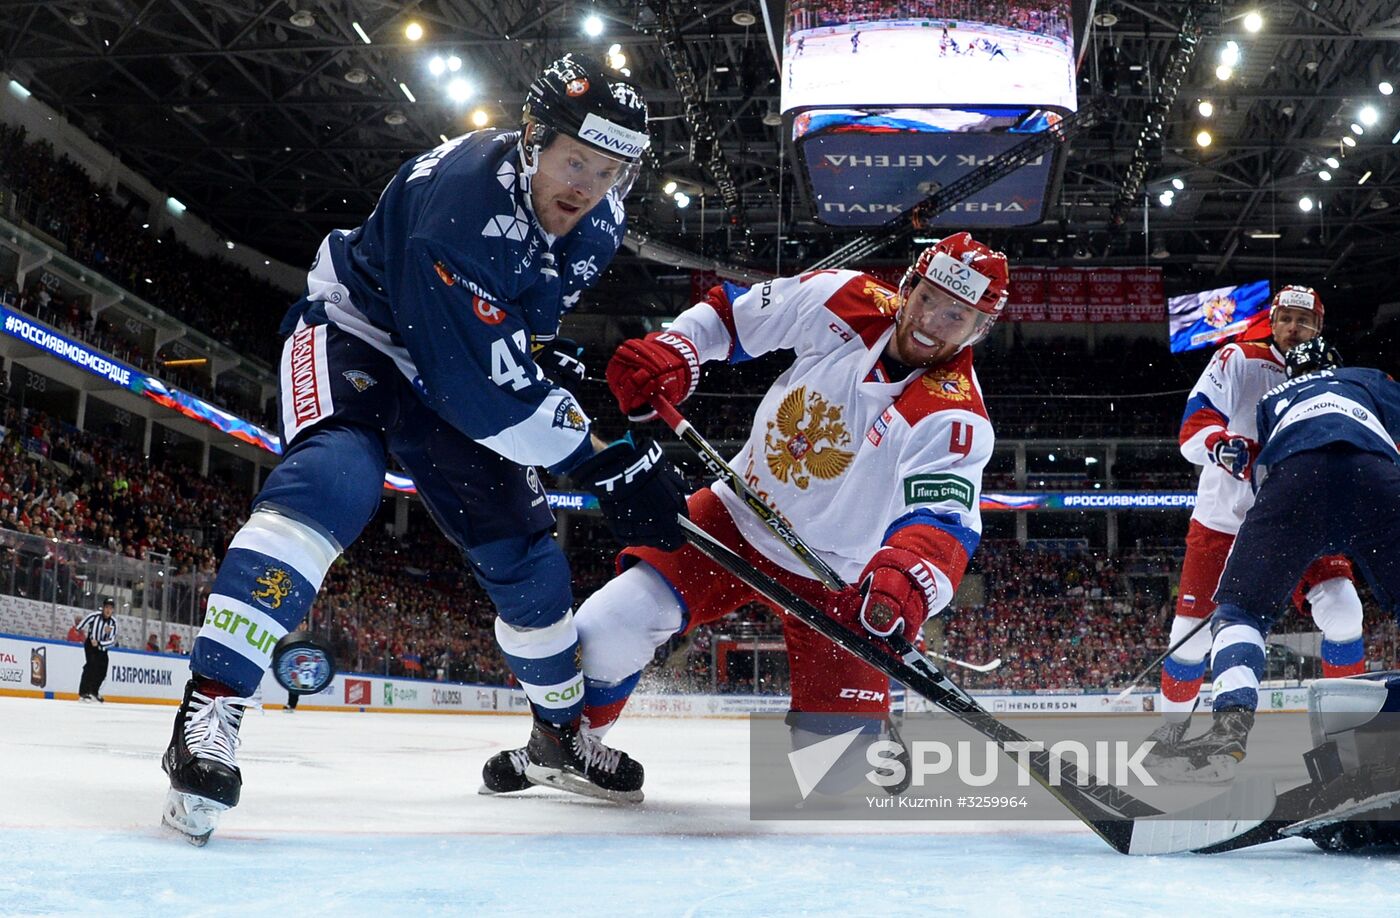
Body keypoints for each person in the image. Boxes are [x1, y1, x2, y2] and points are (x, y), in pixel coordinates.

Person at [159, 53, 689, 845]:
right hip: (357, 333)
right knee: (334, 481)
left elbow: (509, 337)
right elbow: (475, 388)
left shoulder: (598, 222)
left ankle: (556, 737)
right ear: (532, 137)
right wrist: (602, 459)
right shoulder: (463, 207)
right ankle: (209, 707)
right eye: (575, 160)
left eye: (608, 170)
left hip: (449, 355)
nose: (587, 186)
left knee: (529, 559)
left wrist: (547, 362)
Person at [483, 232, 1009, 799]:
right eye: (928, 298)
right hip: (732, 518)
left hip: (839, 579)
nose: (932, 320)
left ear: (980, 329)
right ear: (907, 287)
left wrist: (903, 580)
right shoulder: (845, 298)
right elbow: (732, 315)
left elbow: (941, 521)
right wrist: (677, 349)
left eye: (957, 314)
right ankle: (571, 749)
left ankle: (876, 726)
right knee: (605, 629)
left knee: (839, 784)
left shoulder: (955, 417)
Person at [1161, 338, 1400, 781]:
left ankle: (1229, 727)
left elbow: (1268, 462)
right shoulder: (1369, 379)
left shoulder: (1273, 398)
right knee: (1348, 611)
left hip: (1292, 489)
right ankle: (1354, 742)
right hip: (1371, 481)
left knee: (1242, 615)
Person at [1145, 286, 1365, 764]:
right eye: (1285, 318)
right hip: (1227, 523)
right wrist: (1222, 446)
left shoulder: (1334, 378)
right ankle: (1171, 734)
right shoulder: (1239, 359)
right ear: (1273, 319)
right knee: (1191, 634)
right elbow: (1192, 430)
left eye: (1303, 322)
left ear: (1318, 329)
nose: (1293, 328)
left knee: (1345, 611)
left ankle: (1346, 738)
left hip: (1302, 520)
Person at [77, 598, 118, 702]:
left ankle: (93, 691)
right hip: (91, 645)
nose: (108, 610)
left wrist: (100, 643)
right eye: (107, 607)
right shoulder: (94, 616)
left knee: (102, 671)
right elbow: (81, 625)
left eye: (111, 608)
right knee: (90, 666)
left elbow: (112, 641)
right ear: (103, 608)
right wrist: (80, 631)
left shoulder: (113, 623)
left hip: (102, 648)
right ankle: (83, 692)